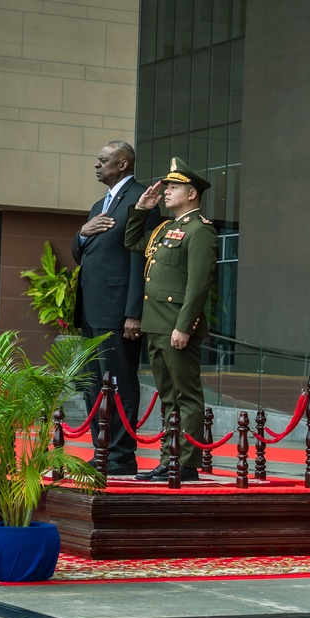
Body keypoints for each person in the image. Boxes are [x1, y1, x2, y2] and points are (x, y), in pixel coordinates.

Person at [125, 158, 218, 483]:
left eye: (173, 187)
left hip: (177, 327)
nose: (165, 192)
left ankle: (186, 462)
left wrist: (184, 325)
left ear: (191, 193)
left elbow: (198, 284)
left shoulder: (200, 230)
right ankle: (169, 458)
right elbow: (133, 243)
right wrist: (140, 209)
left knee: (186, 396)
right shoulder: (165, 228)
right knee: (168, 396)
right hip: (156, 324)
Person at [71, 141, 160, 476]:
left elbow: (142, 257)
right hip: (91, 309)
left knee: (119, 381)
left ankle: (121, 456)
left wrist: (134, 312)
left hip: (118, 309)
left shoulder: (142, 199)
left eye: (103, 160)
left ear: (123, 164)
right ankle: (102, 450)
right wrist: (81, 233)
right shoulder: (99, 205)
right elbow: (83, 253)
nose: (97, 164)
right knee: (93, 383)